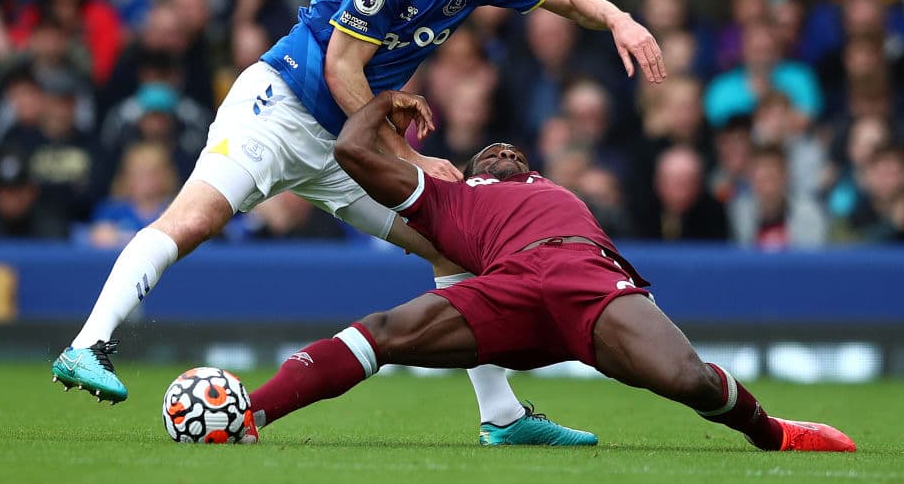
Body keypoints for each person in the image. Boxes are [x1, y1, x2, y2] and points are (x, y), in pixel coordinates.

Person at [52, 0, 664, 445]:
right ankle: (88, 344)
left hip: (346, 145)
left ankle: (501, 416)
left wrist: (620, 19)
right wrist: (412, 158)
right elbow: (345, 68)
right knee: (194, 219)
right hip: (282, 108)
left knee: (456, 246)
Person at [238, 90, 856, 452]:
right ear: (468, 166)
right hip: (509, 288)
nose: (503, 151)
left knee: (687, 377)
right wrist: (383, 105)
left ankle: (772, 433)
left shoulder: (559, 191)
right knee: (384, 330)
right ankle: (250, 416)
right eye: (491, 151)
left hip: (585, 277)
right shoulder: (448, 196)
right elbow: (349, 151)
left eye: (513, 150)